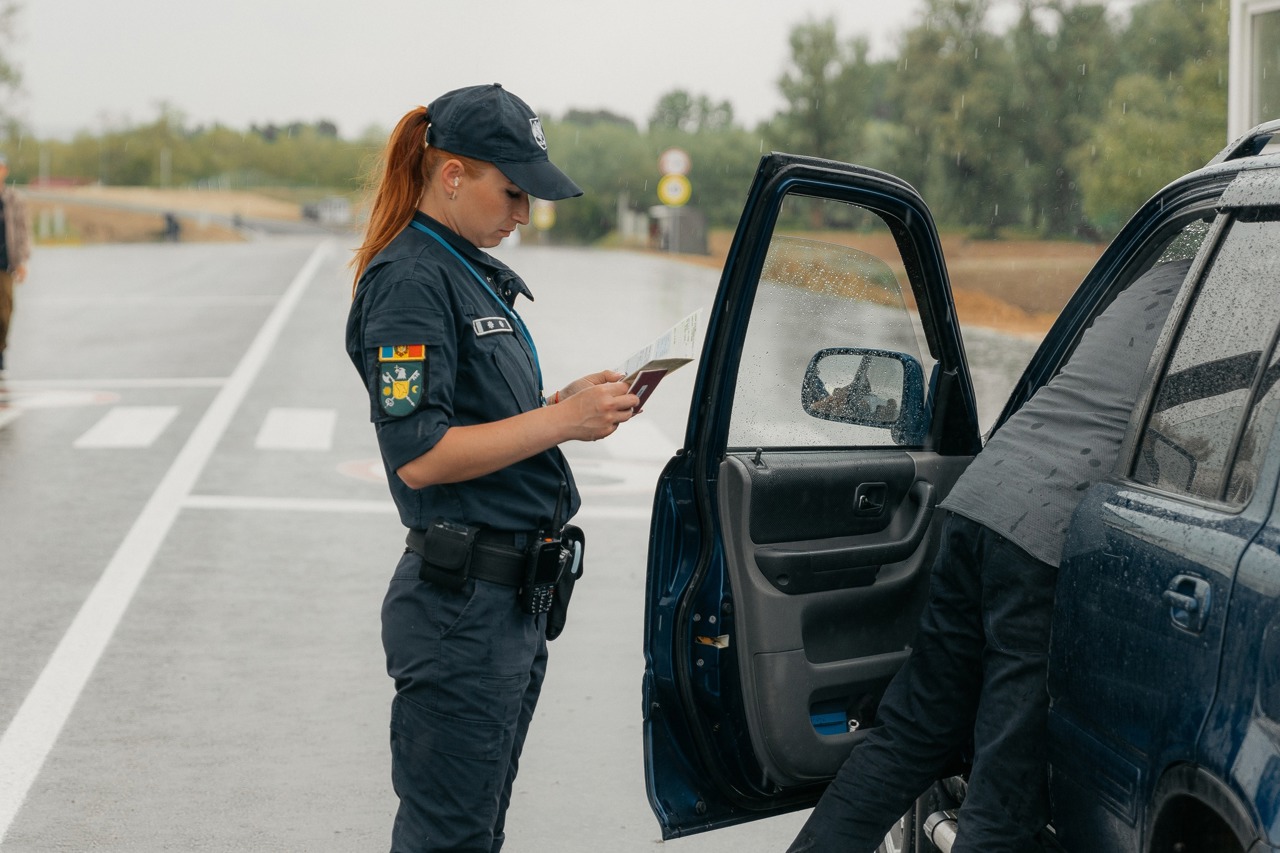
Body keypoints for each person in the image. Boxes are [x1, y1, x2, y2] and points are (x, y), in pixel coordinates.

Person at [786, 255, 1193, 853]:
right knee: (1005, 791)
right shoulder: (1236, 284)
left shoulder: (1168, 270)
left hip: (982, 499)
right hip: (1046, 534)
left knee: (910, 733)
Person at [345, 83, 640, 853]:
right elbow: (420, 454)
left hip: (504, 602)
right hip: (460, 609)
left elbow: (477, 420)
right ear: (451, 176)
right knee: (448, 839)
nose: (523, 214)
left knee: (473, 836)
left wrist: (562, 404)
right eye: (511, 191)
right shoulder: (410, 279)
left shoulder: (461, 268)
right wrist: (560, 421)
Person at [0, 153, 31, 376]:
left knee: (5, 311)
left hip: (4, 263)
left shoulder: (13, 199)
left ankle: (0, 349)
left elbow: (23, 231)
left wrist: (21, 261)